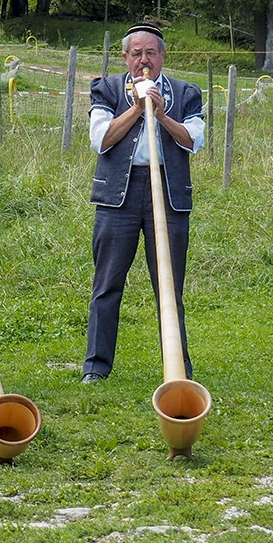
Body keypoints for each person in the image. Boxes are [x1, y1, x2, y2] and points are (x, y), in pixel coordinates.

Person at [81, 23, 204, 383]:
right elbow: (101, 140)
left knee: (169, 284)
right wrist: (137, 108)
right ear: (125, 57)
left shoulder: (185, 93)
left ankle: (178, 368)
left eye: (151, 53)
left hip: (167, 194)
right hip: (118, 195)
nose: (143, 60)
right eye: (136, 54)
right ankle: (96, 367)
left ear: (163, 57)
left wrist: (162, 115)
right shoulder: (106, 88)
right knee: (107, 283)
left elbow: (193, 141)